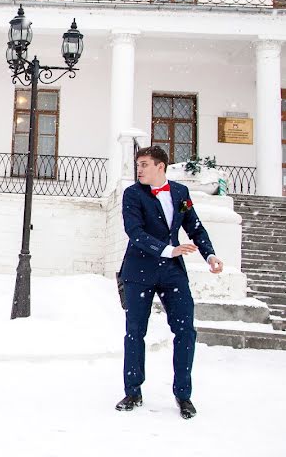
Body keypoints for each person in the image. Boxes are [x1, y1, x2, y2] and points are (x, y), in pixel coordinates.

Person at [115, 145, 224, 419]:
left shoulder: (180, 193)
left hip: (172, 272)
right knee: (135, 332)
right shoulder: (132, 194)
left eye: (145, 164)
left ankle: (183, 395)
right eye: (138, 164)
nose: (139, 169)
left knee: (186, 331)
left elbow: (194, 226)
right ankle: (133, 390)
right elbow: (134, 231)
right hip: (139, 270)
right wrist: (168, 249)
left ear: (160, 166)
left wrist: (210, 254)